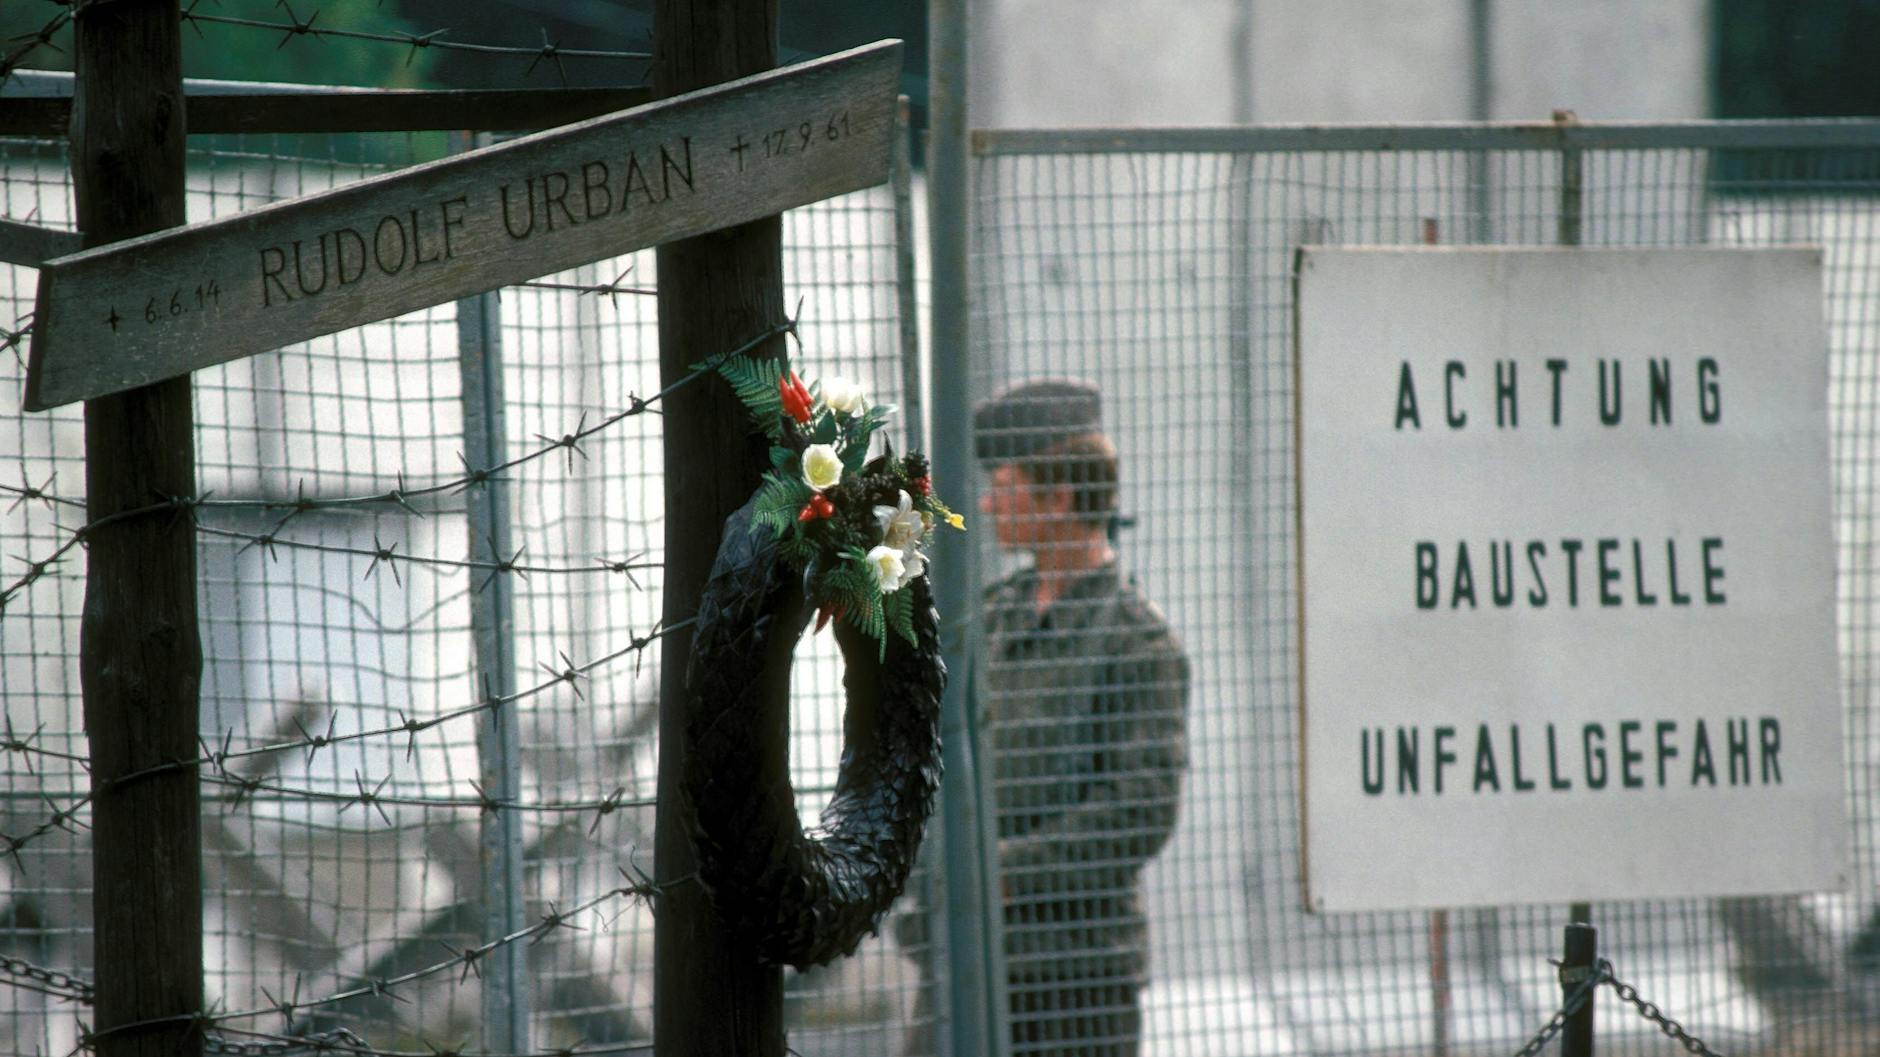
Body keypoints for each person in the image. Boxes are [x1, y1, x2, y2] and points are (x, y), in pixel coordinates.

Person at [899, 379, 1191, 1057]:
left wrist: (997, 871)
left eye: (1003, 485)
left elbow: (1139, 812)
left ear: (1058, 497)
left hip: (1073, 983)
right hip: (963, 963)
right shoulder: (984, 620)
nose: (989, 503)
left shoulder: (1137, 642)